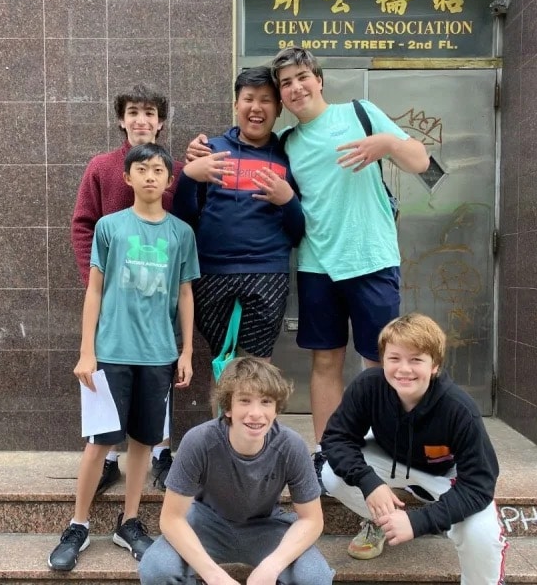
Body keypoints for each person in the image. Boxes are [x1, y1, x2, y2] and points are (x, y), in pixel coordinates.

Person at [268, 46, 430, 485]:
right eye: (286, 83)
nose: (296, 87)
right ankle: (327, 453)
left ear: (319, 79)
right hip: (318, 264)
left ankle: (381, 453)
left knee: (379, 362)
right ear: (281, 96)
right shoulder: (287, 143)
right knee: (326, 360)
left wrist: (389, 143)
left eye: (302, 77)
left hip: (371, 257)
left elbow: (423, 163)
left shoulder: (361, 112)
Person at [49, 143, 200, 571]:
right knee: (99, 443)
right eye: (142, 169)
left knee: (143, 442)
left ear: (170, 181)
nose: (150, 176)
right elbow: (94, 290)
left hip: (157, 355)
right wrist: (86, 351)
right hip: (111, 352)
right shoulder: (109, 228)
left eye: (158, 170)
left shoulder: (180, 233)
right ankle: (78, 525)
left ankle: (129, 521)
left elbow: (185, 292)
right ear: (127, 178)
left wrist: (186, 351)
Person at [320, 313, 507, 584]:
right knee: (331, 475)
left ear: (435, 366)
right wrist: (369, 482)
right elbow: (336, 438)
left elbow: (479, 485)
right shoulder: (368, 387)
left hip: (444, 475)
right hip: (390, 458)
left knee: (480, 532)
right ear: (383, 360)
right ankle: (382, 522)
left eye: (416, 359)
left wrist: (418, 522)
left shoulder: (459, 409)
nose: (403, 369)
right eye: (394, 358)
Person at [71, 84, 181, 493]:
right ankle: (107, 459)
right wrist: (95, 276)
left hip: (157, 297)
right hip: (112, 301)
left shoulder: (176, 170)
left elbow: (186, 226)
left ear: (160, 122)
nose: (141, 120)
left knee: (157, 376)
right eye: (133, 112)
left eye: (149, 113)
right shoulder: (102, 167)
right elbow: (83, 224)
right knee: (106, 375)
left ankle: (159, 453)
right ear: (121, 119)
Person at [138, 357, 334, 585]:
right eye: (245, 401)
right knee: (156, 568)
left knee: (315, 577)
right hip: (206, 523)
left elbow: (311, 520)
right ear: (228, 407)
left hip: (265, 527)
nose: (256, 413)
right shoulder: (199, 441)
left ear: (276, 408)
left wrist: (272, 566)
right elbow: (171, 519)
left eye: (266, 401)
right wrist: (213, 575)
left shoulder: (291, 445)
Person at [174, 67, 305, 382]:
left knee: (260, 367)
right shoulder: (212, 150)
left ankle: (259, 430)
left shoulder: (289, 157)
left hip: (267, 272)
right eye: (248, 99)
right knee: (223, 367)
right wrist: (188, 177)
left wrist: (287, 199)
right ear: (236, 104)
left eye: (266, 100)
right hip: (212, 273)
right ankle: (223, 429)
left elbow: (298, 233)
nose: (256, 108)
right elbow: (184, 218)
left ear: (278, 109)